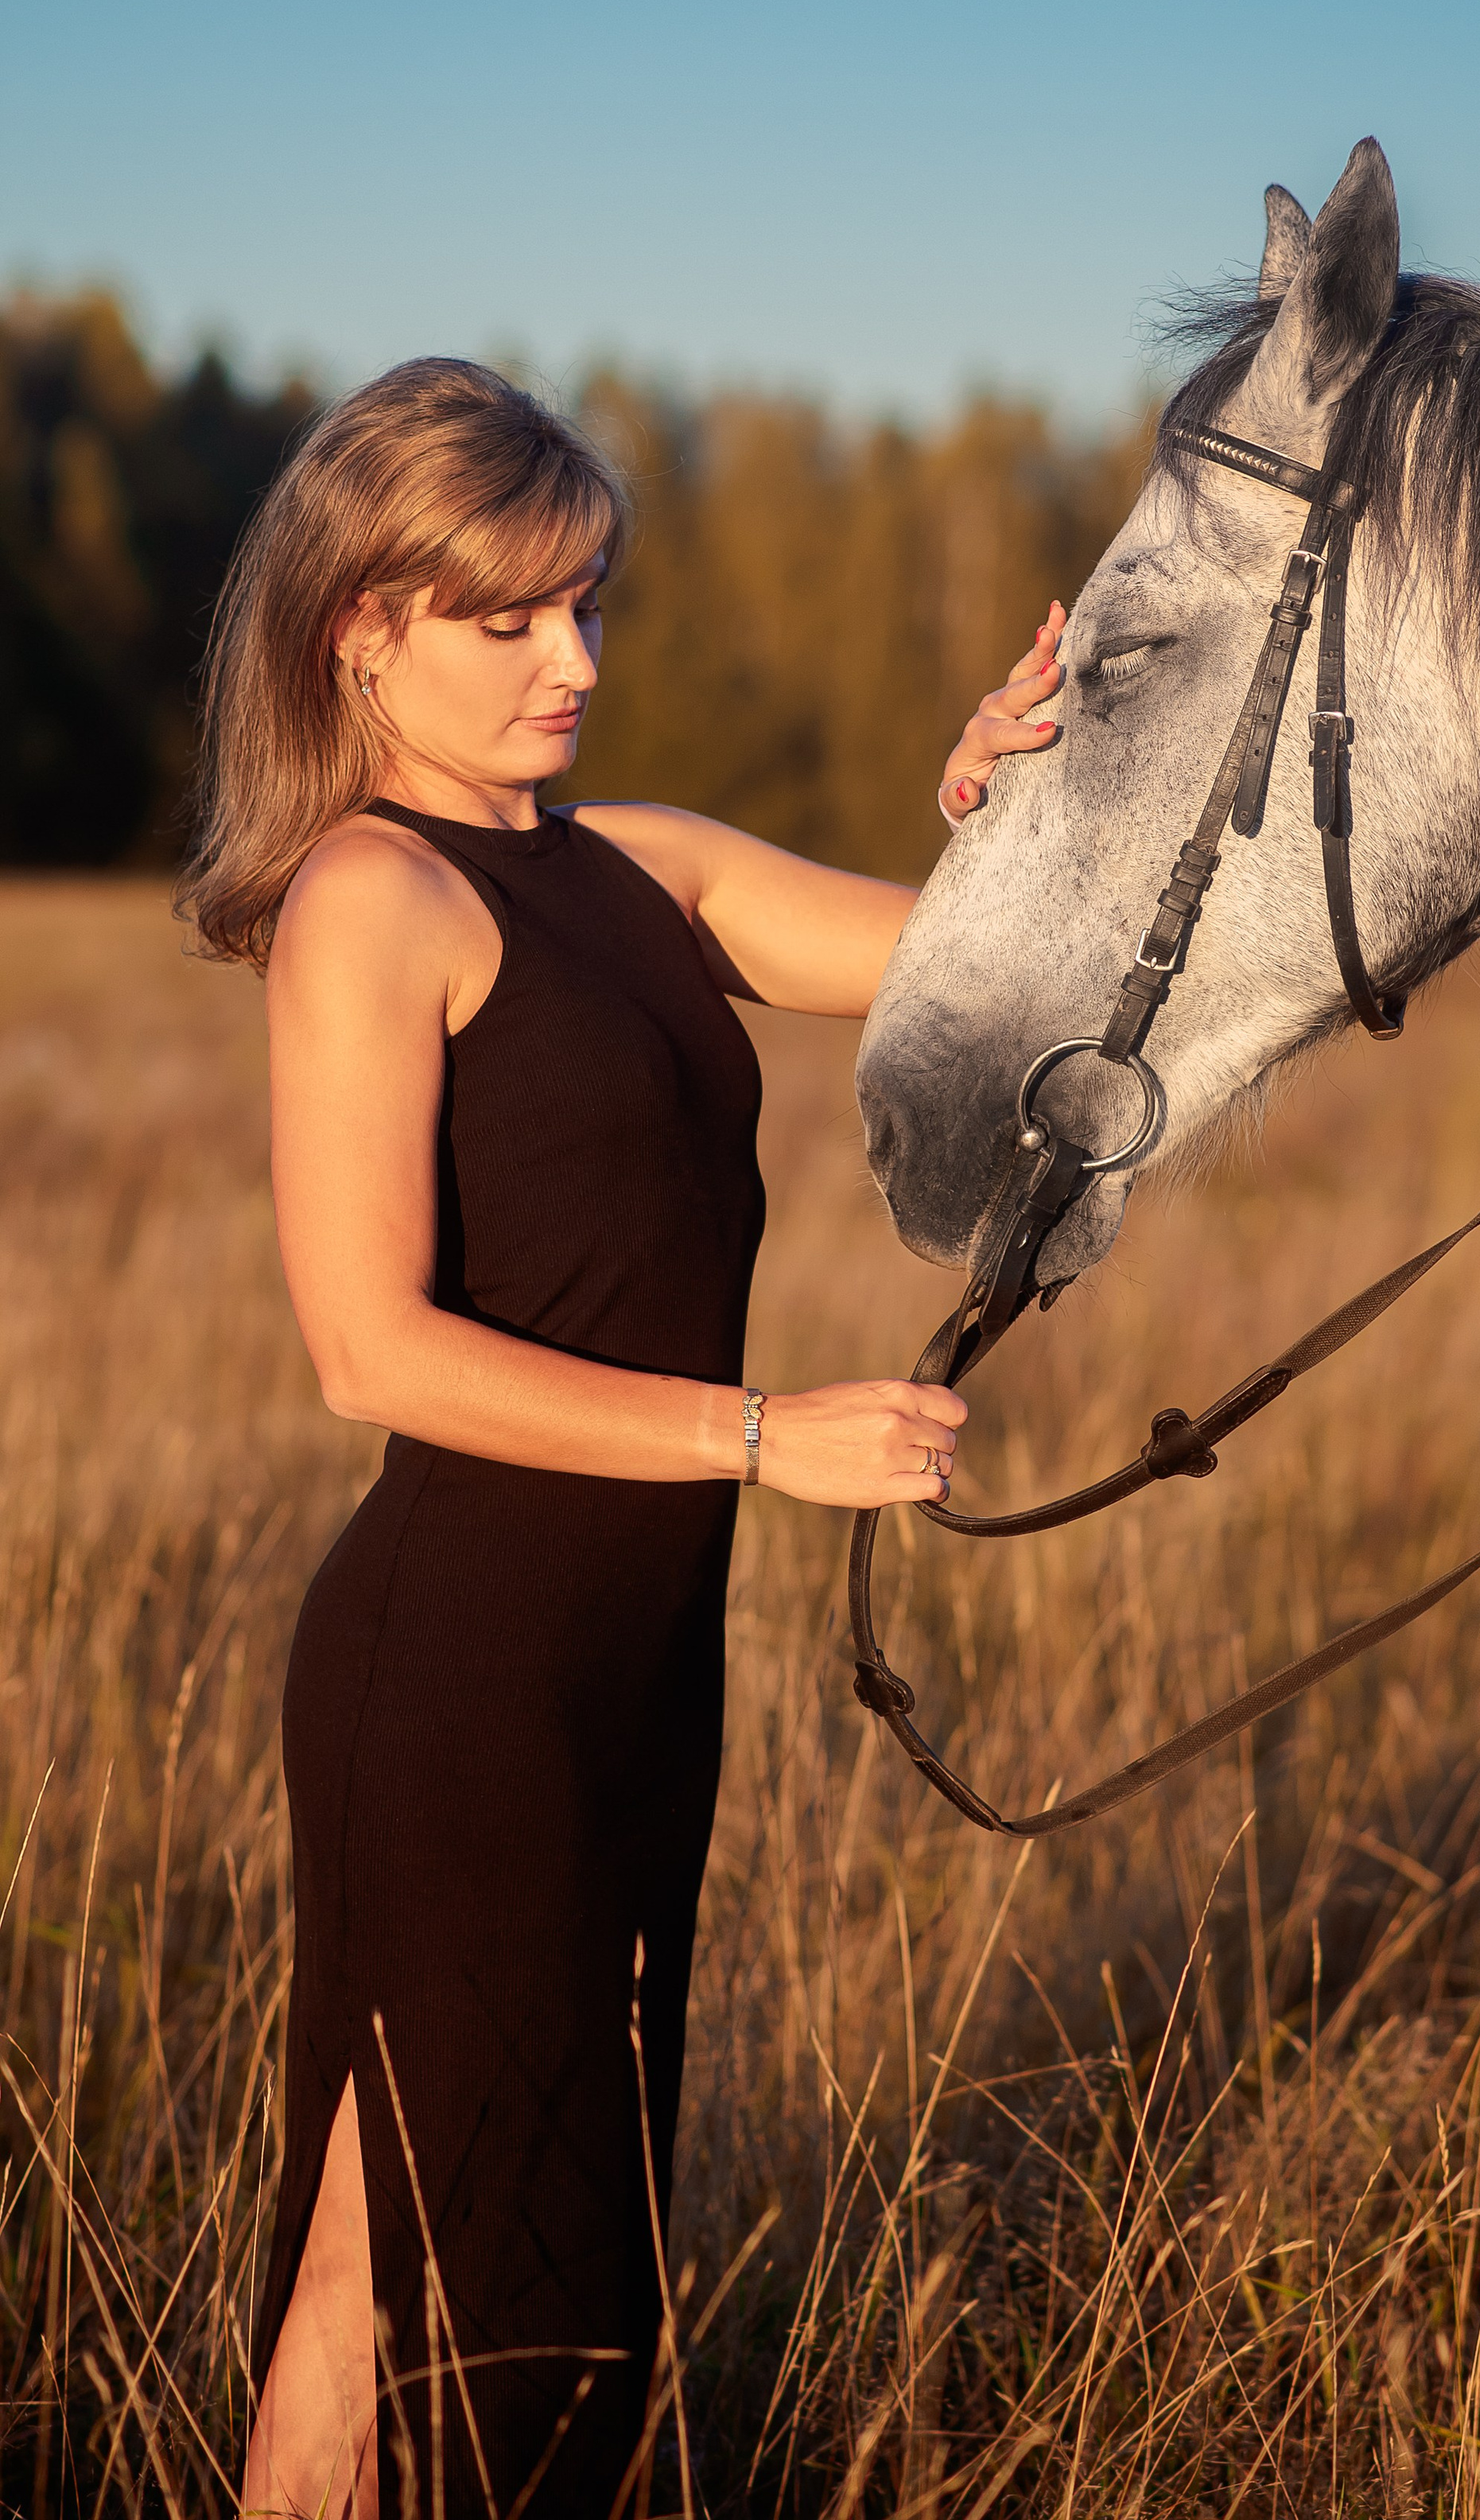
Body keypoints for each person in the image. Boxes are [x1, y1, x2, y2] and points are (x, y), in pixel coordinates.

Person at [178, 359, 1064, 2519]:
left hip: (639, 1679)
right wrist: (765, 1432)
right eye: (515, 619)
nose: (577, 660)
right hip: (456, 1683)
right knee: (504, 2297)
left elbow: (981, 963)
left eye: (591, 605)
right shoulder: (369, 903)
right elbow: (366, 1351)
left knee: (381, 2269)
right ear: (362, 632)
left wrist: (995, 802)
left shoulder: (642, 870)